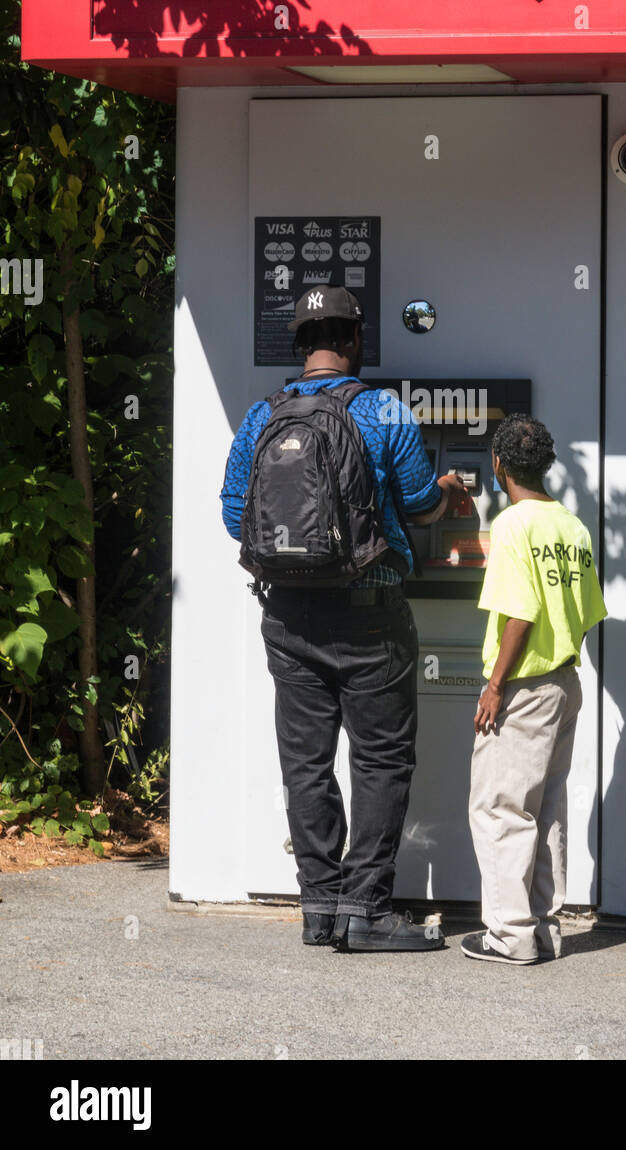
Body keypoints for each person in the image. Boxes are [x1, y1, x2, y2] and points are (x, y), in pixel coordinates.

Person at [220, 285, 465, 952]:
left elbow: (231, 513)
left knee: (306, 765)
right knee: (381, 762)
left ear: (300, 346)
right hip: (370, 615)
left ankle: (319, 910)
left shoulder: (260, 416)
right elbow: (416, 505)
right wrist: (446, 495)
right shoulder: (384, 410)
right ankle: (366, 911)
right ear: (354, 341)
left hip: (289, 618)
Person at [462, 414, 607, 965]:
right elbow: (587, 611)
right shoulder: (572, 525)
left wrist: (496, 685)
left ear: (498, 465)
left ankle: (510, 935)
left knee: (499, 809)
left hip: (522, 686)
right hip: (565, 681)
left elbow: (519, 612)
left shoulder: (511, 524)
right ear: (545, 464)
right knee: (545, 809)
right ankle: (544, 927)